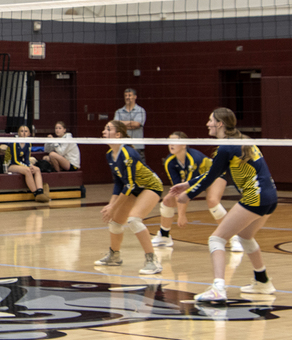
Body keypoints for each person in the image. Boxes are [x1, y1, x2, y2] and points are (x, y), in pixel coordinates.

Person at [168, 108, 278, 303]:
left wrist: (188, 195)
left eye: (210, 120)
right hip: (270, 197)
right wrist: (187, 184)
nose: (207, 124)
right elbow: (215, 171)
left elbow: (211, 176)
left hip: (256, 197)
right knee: (245, 237)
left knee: (216, 240)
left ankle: (218, 288)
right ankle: (262, 281)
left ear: (220, 124)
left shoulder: (226, 147)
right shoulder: (240, 141)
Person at [154, 131, 244, 252]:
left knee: (212, 201)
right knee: (167, 201)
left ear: (184, 145)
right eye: (169, 141)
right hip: (197, 180)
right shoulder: (169, 162)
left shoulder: (193, 159)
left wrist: (181, 215)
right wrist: (181, 213)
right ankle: (164, 236)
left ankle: (234, 237)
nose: (171, 144)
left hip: (214, 176)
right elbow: (178, 189)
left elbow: (188, 191)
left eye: (175, 141)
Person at [96, 120, 164, 275]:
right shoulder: (109, 155)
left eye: (108, 129)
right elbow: (119, 183)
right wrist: (110, 205)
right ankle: (114, 256)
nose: (103, 132)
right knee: (114, 222)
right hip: (134, 187)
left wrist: (113, 206)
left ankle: (152, 260)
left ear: (118, 134)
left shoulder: (128, 154)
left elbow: (130, 185)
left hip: (150, 186)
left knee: (134, 219)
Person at [0, 124, 49, 203]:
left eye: (26, 131)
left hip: (21, 164)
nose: (24, 133)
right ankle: (36, 194)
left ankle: (40, 192)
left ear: (29, 133)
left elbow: (27, 159)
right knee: (27, 171)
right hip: (10, 165)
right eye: (22, 131)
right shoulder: (14, 143)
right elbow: (15, 160)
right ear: (18, 133)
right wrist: (27, 167)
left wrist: (30, 165)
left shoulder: (28, 143)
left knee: (36, 169)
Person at [114, 88, 146, 155]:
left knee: (138, 165)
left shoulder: (140, 110)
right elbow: (116, 125)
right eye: (125, 96)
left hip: (136, 146)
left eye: (129, 95)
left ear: (135, 97)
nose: (127, 97)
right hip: (122, 146)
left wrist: (121, 124)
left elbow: (137, 124)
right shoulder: (118, 112)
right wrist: (131, 123)